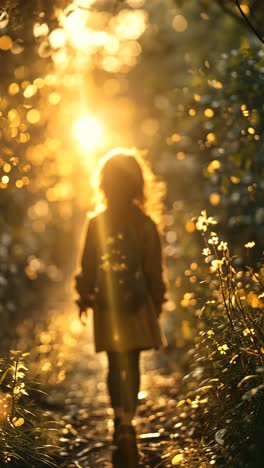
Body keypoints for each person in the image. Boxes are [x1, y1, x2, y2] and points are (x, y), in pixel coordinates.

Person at [75, 148, 167, 445]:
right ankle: (128, 419)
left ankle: (117, 418)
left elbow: (87, 266)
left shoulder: (96, 223)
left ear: (104, 183)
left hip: (107, 306)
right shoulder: (146, 224)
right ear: (138, 185)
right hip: (139, 305)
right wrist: (157, 300)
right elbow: (154, 268)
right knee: (133, 363)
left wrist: (84, 296)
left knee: (115, 363)